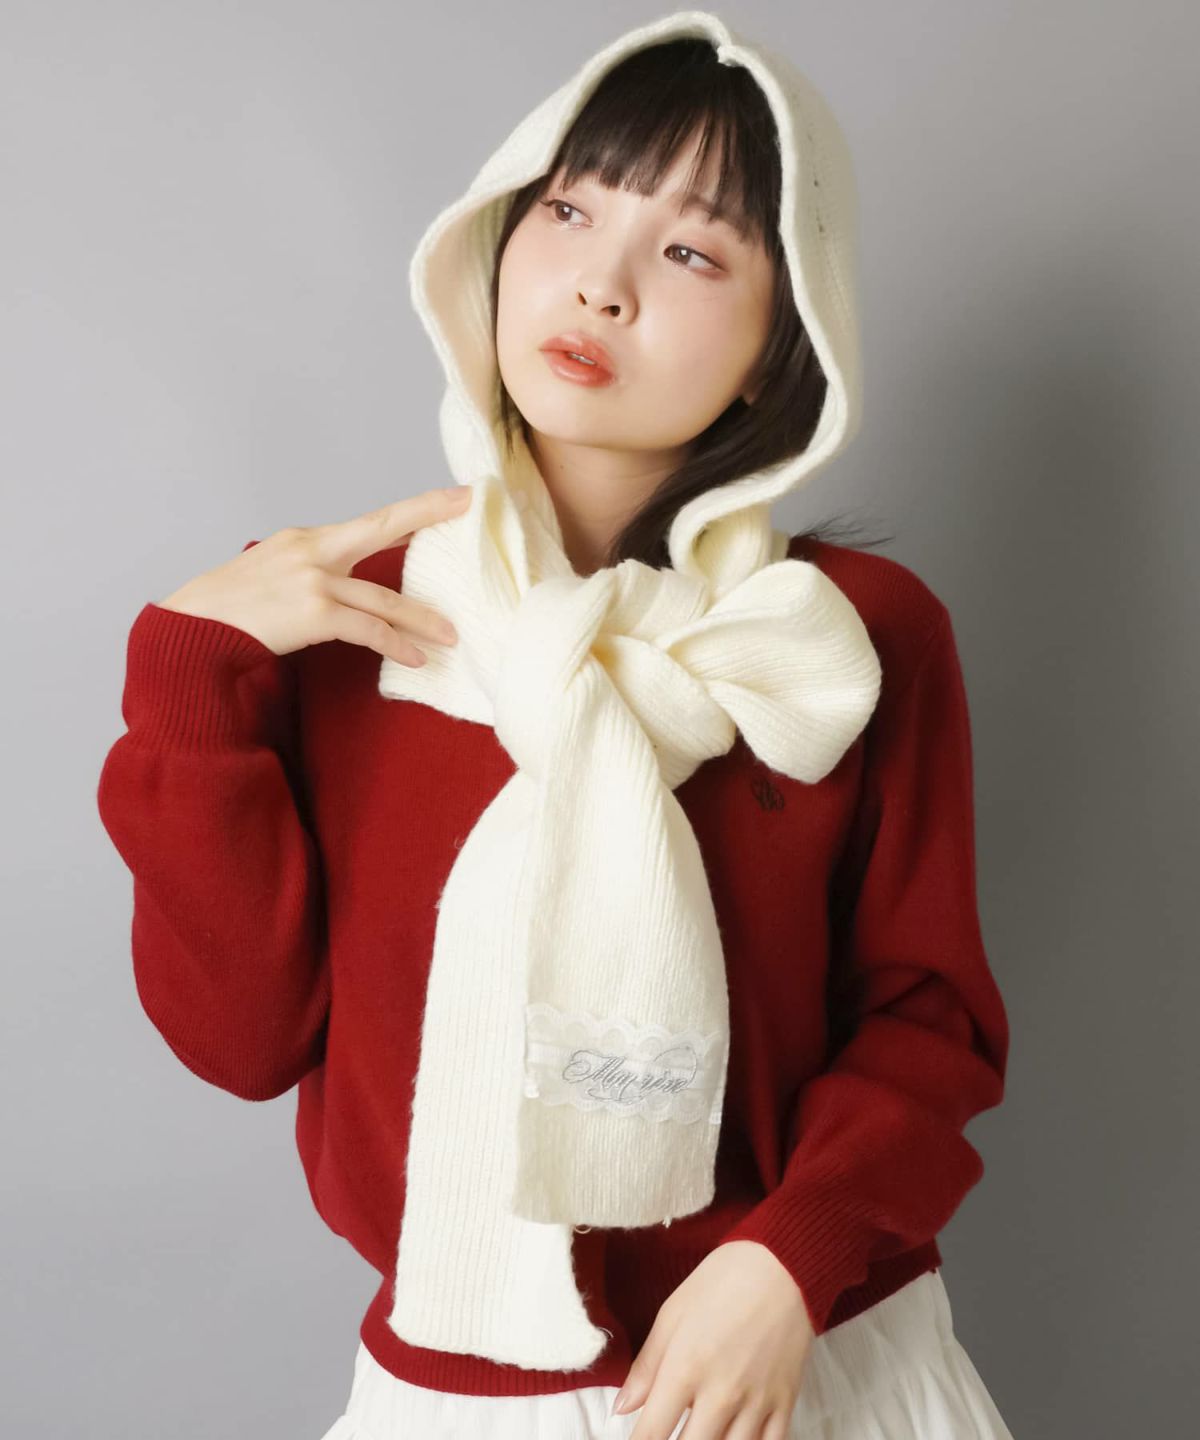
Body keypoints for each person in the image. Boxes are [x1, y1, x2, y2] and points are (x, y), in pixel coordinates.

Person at [97, 11, 1015, 1439]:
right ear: (494, 241)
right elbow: (242, 1041)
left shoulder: (835, 638)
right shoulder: (350, 618)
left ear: (781, 347)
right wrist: (187, 678)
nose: (600, 283)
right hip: (462, 1392)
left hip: (800, 1365)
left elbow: (928, 1023)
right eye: (571, 210)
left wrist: (790, 1258)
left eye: (693, 252)